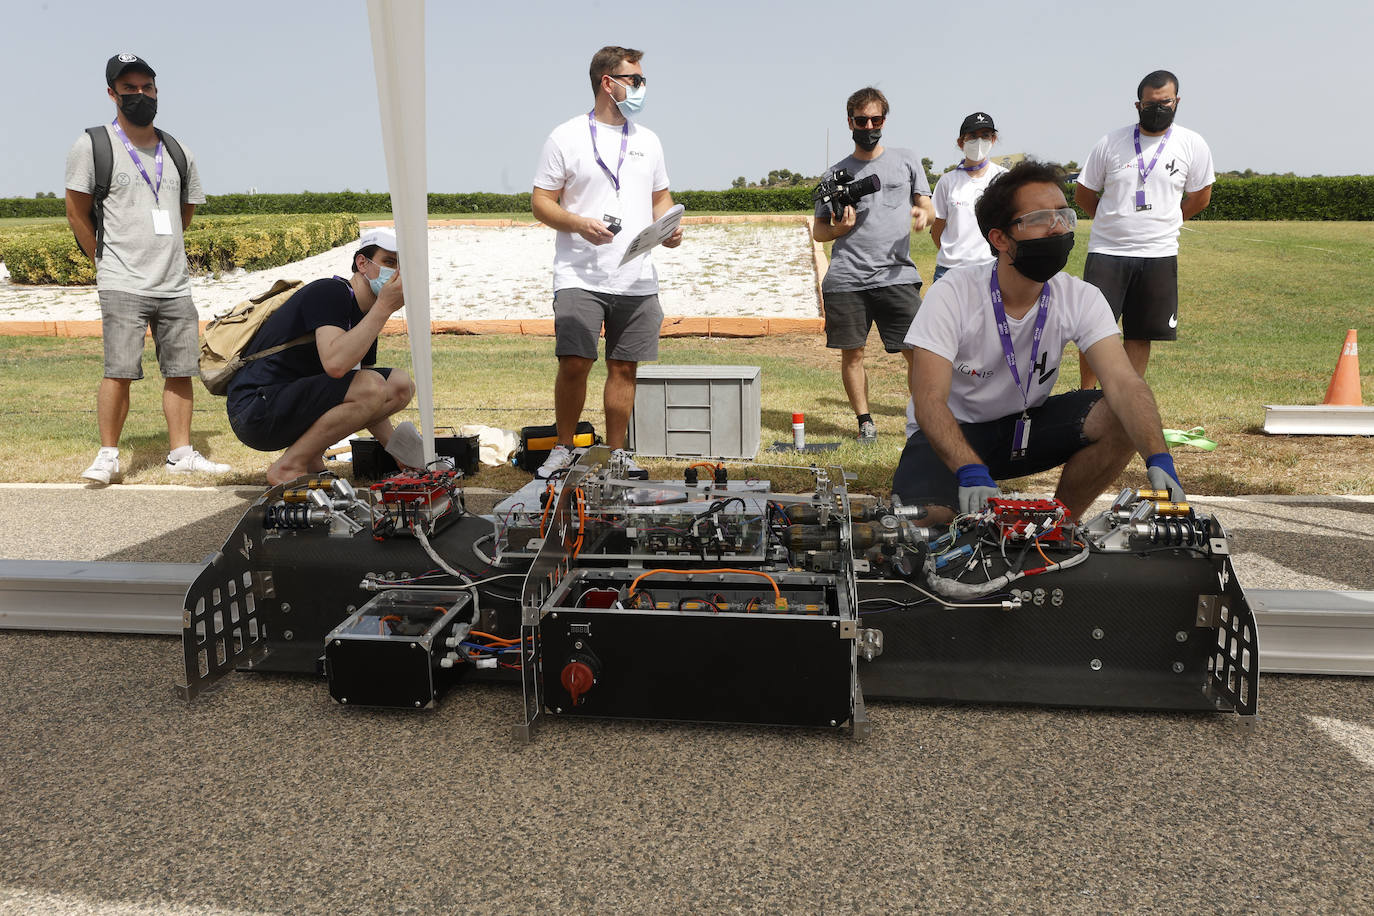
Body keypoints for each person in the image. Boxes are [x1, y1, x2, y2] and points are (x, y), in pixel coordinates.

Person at [893, 160, 1185, 525]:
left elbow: (1125, 383)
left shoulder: (1081, 296)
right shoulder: (953, 293)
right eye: (1040, 219)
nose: (1058, 228)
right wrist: (969, 468)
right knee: (923, 528)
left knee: (1119, 415)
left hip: (1025, 428)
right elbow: (928, 400)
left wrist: (1159, 457)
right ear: (999, 238)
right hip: (953, 431)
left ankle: (1058, 528)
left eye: (1063, 215)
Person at [65, 53, 229, 485]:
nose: (140, 95)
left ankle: (181, 452)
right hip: (122, 281)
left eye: (147, 88)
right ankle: (108, 456)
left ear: (156, 91)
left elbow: (184, 212)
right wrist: (101, 257)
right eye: (130, 88)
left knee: (180, 370)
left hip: (174, 283)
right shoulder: (93, 145)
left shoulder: (178, 151)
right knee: (119, 370)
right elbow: (77, 210)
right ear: (112, 93)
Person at [530, 45, 683, 479]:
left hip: (636, 276)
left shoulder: (648, 140)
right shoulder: (566, 137)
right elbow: (541, 202)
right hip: (580, 272)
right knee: (575, 361)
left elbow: (661, 197)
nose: (641, 87)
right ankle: (563, 448)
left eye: (641, 80)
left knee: (624, 366)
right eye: (634, 79)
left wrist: (668, 226)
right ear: (607, 82)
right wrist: (577, 223)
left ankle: (616, 455)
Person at [225, 228, 417, 486]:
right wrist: (383, 308)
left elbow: (373, 398)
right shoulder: (331, 292)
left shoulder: (364, 313)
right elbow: (336, 365)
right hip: (255, 409)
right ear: (362, 263)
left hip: (287, 401)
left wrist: (398, 453)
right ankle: (289, 466)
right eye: (389, 263)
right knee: (370, 385)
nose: (395, 274)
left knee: (400, 385)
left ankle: (311, 461)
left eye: (400, 266)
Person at [1075, 69, 1214, 387]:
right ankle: (1084, 399)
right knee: (1093, 331)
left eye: (1165, 102)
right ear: (1138, 105)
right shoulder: (1111, 142)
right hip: (1107, 251)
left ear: (1177, 101)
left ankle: (1127, 403)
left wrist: (1171, 221)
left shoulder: (1192, 144)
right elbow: (1084, 194)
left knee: (1141, 333)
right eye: (1151, 103)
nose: (1158, 108)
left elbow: (1200, 196)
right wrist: (1110, 221)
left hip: (1159, 253)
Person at [812, 87, 935, 445]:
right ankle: (865, 421)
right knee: (853, 354)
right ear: (850, 122)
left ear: (885, 120)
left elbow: (927, 207)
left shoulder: (907, 160)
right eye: (862, 120)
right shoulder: (833, 175)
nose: (869, 126)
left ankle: (922, 417)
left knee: (917, 352)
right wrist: (840, 228)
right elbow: (820, 230)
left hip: (898, 273)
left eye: (876, 119)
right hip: (848, 277)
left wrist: (922, 215)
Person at [930, 111, 1008, 284]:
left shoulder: (1004, 179)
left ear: (993, 140)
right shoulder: (947, 181)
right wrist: (954, 256)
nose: (979, 141)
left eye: (985, 136)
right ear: (961, 142)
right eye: (972, 136)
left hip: (991, 269)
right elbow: (937, 230)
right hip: (949, 272)